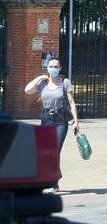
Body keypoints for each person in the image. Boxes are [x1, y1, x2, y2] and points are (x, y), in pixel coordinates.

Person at [24, 59, 80, 191]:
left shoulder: (65, 83)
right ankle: (56, 175)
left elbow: (71, 103)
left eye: (56, 66)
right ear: (47, 68)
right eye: (51, 66)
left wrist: (76, 122)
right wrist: (39, 77)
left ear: (60, 68)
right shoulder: (43, 83)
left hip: (61, 120)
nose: (53, 68)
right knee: (45, 152)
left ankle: (53, 183)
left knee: (55, 151)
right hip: (46, 119)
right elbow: (27, 90)